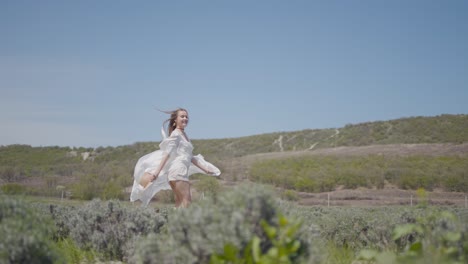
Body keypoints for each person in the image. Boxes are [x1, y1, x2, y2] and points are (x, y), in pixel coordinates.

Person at [130, 108, 221, 207]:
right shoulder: (176, 134)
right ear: (175, 120)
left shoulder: (184, 135)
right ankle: (180, 222)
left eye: (186, 117)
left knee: (180, 203)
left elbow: (190, 157)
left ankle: (173, 222)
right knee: (186, 202)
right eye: (182, 116)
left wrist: (206, 169)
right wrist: (156, 172)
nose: (185, 118)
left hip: (180, 172)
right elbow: (167, 154)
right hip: (178, 172)